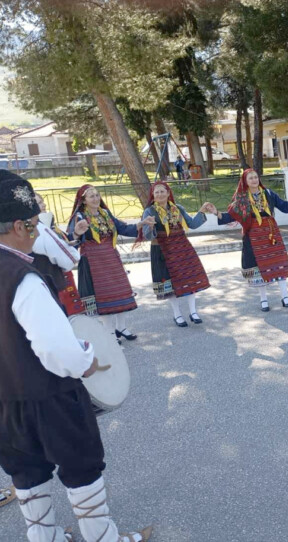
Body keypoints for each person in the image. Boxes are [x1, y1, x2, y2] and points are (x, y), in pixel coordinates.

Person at [0, 170, 152, 542]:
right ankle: (103, 538)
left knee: (27, 471)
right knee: (81, 466)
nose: (37, 231)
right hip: (50, 397)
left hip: (5, 399)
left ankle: (45, 538)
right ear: (19, 226)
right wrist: (87, 361)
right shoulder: (24, 277)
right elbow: (57, 350)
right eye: (34, 224)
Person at [67, 185, 155, 342]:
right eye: (91, 196)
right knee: (104, 297)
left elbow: (123, 228)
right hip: (93, 261)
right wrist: (76, 233)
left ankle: (121, 327)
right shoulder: (79, 217)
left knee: (119, 293)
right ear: (84, 200)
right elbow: (71, 240)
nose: (95, 198)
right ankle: (109, 332)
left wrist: (142, 223)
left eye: (97, 195)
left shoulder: (105, 214)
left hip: (111, 257)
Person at [215, 169, 288, 311]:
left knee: (279, 263)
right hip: (254, 236)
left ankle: (285, 297)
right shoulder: (242, 199)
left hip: (271, 233)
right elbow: (229, 216)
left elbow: (284, 206)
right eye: (250, 178)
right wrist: (215, 212)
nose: (254, 180)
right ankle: (264, 299)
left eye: (255, 177)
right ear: (245, 182)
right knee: (258, 268)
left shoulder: (268, 194)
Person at [140, 182, 211, 327]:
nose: (160, 194)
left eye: (162, 191)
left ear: (168, 193)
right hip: (162, 249)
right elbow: (147, 236)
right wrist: (151, 227)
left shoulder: (178, 209)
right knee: (169, 283)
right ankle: (177, 314)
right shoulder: (149, 212)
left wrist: (202, 211)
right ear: (153, 195)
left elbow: (192, 224)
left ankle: (193, 312)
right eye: (156, 192)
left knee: (190, 279)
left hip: (181, 247)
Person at [31, 193, 88, 315]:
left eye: (43, 201)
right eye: (39, 203)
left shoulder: (48, 222)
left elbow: (63, 242)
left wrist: (76, 234)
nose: (44, 204)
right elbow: (55, 249)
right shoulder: (36, 226)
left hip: (61, 275)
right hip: (49, 274)